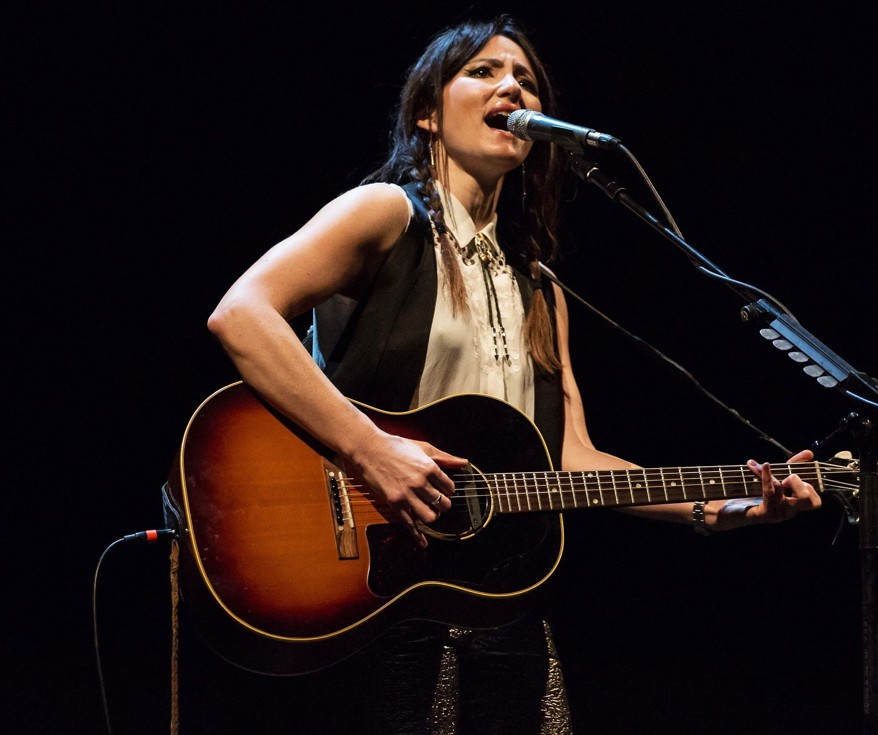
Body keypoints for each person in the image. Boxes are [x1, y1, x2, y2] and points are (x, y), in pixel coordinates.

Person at [205, 13, 822, 734]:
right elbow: (241, 313)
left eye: (526, 79)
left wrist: (730, 507)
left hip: (499, 596)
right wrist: (369, 448)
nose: (512, 88)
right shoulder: (385, 213)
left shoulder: (540, 286)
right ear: (427, 112)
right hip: (375, 588)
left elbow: (572, 458)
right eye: (484, 71)